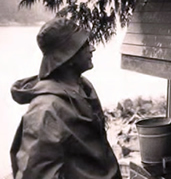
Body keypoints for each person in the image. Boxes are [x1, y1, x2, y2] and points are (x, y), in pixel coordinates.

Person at [10, 17, 122, 179]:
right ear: (67, 56)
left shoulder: (84, 87)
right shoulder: (46, 110)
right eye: (84, 45)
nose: (92, 49)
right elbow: (35, 174)